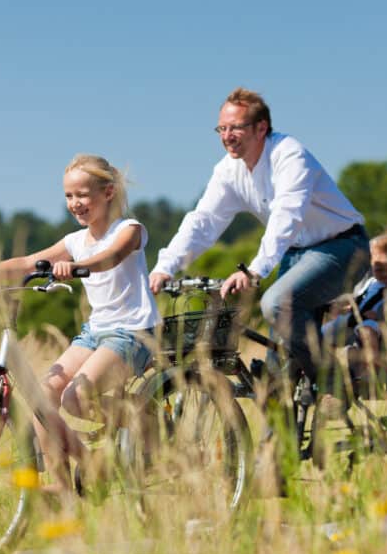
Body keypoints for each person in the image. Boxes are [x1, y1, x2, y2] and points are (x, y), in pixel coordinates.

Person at [0, 154, 159, 493]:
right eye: (68, 196)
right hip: (96, 331)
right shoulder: (75, 241)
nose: (75, 203)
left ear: (108, 192)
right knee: (42, 398)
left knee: (76, 399)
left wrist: (78, 267)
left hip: (133, 331)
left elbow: (111, 257)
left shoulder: (129, 230)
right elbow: (27, 262)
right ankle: (68, 486)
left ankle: (143, 417)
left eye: (83, 195)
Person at [148, 87, 369, 386]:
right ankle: (285, 408)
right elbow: (203, 221)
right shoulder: (228, 170)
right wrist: (166, 266)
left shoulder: (289, 155)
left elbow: (286, 215)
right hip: (296, 253)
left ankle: (332, 385)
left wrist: (255, 270)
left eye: (236, 128)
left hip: (342, 247)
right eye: (221, 129)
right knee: (277, 375)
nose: (227, 136)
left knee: (275, 303)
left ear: (261, 128)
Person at [322, 233, 387, 398]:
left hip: (381, 322)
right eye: (379, 269)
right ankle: (328, 369)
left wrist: (383, 310)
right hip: (356, 318)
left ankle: (368, 371)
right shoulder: (371, 282)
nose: (384, 273)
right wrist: (347, 306)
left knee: (366, 330)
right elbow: (360, 298)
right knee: (323, 332)